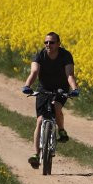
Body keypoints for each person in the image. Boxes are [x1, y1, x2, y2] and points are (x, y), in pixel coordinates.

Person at [21, 31, 79, 169]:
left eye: (52, 42)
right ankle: (36, 154)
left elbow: (69, 74)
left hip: (60, 89)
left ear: (58, 44)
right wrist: (27, 86)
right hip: (44, 89)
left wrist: (74, 89)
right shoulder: (40, 55)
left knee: (57, 107)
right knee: (40, 121)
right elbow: (34, 72)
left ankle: (62, 130)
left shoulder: (65, 55)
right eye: (46, 42)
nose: (48, 45)